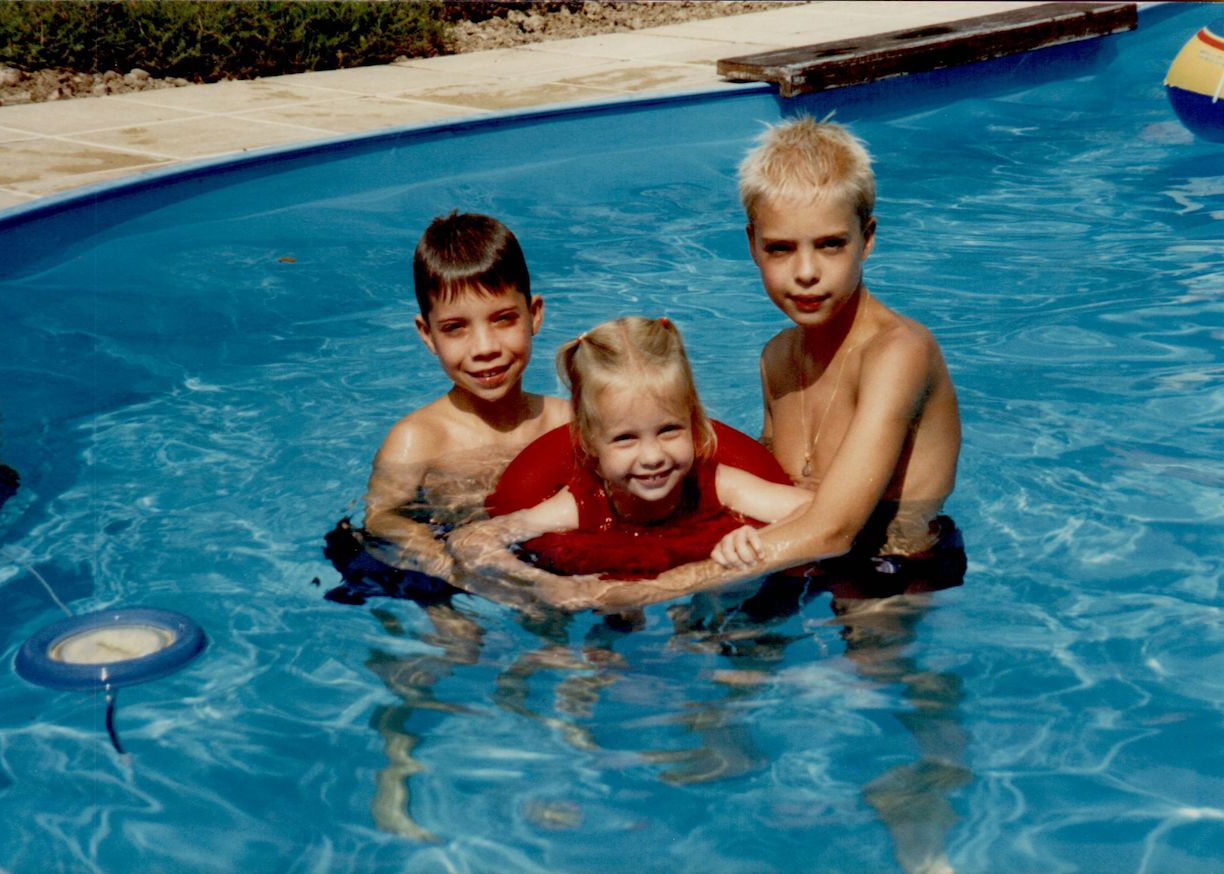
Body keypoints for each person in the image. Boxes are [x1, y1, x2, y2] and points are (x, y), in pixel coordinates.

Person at [537, 116, 963, 612]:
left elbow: (837, 527)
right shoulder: (778, 357)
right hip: (793, 554)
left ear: (866, 238)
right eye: (780, 249)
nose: (805, 272)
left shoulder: (899, 353)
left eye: (830, 244)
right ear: (752, 246)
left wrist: (655, 586)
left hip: (893, 565)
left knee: (858, 683)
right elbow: (756, 480)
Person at [447, 316, 812, 596]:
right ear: (591, 444)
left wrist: (758, 539)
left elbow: (823, 513)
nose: (652, 456)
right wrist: (546, 585)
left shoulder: (717, 484)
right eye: (625, 439)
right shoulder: (582, 504)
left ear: (694, 423)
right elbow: (471, 542)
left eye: (669, 430)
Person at [349, 211, 570, 585]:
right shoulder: (419, 438)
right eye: (455, 328)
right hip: (444, 563)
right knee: (459, 634)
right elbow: (382, 517)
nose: (484, 348)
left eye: (503, 319)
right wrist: (443, 562)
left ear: (533, 315)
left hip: (536, 554)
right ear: (428, 335)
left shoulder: (567, 422)